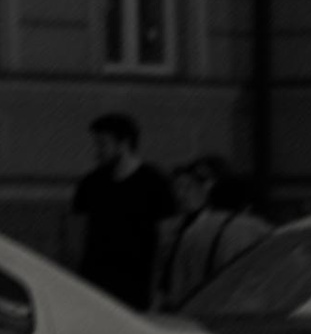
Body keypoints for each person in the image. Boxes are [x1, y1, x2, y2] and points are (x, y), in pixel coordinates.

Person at [64, 112, 178, 311]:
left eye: (102, 144)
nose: (97, 151)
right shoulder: (91, 183)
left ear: (123, 144)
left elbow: (166, 240)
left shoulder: (154, 183)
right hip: (95, 284)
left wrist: (158, 289)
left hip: (136, 285)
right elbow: (75, 237)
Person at [156, 155, 270, 310]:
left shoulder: (194, 230)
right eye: (180, 187)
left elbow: (176, 284)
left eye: (202, 181)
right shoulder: (256, 229)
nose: (182, 194)